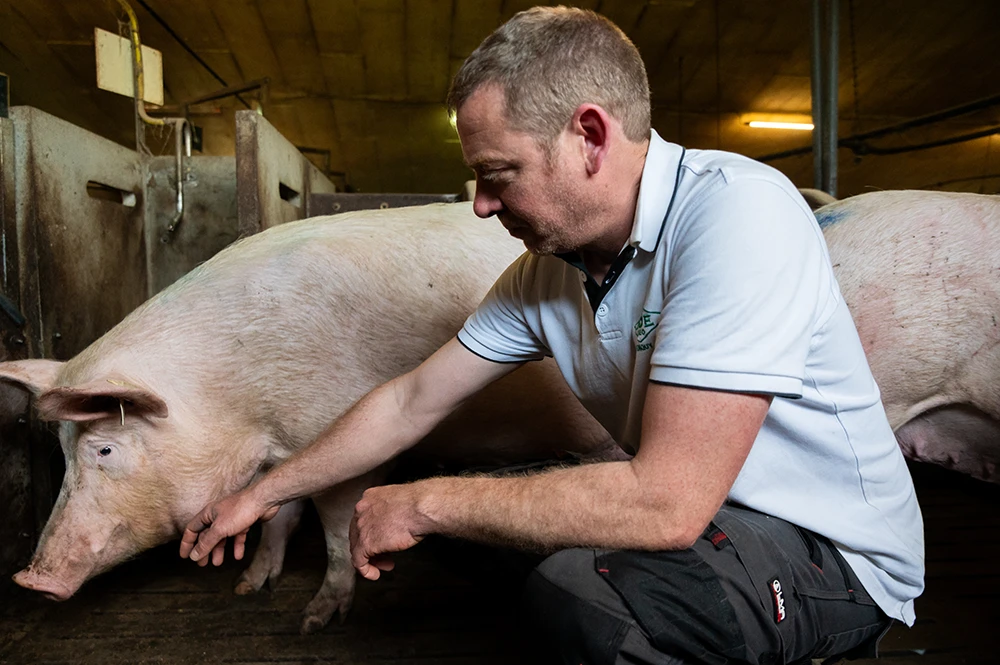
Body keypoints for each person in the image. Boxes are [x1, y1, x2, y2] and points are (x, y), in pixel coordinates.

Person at [180, 7, 924, 663]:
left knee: (582, 592)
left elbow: (666, 502)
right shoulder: (549, 274)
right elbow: (410, 401)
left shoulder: (737, 216)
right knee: (483, 536)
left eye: (497, 174)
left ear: (590, 137)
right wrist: (266, 491)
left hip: (835, 555)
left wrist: (422, 500)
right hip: (718, 515)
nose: (480, 204)